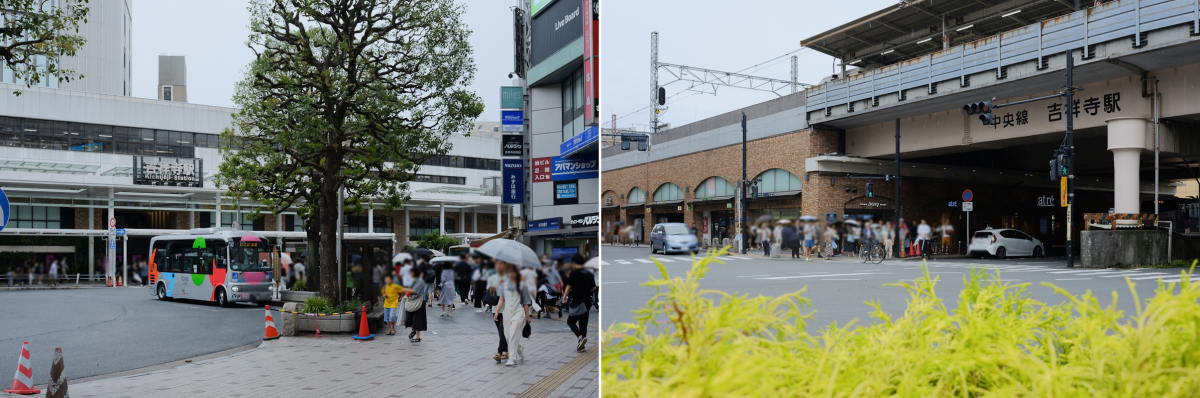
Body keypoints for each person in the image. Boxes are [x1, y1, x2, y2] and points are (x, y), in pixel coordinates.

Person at [494, 261, 532, 366]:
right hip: (506, 314)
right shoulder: (504, 285)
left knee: (513, 334)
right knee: (507, 337)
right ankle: (520, 348)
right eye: (509, 272)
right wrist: (497, 311)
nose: (510, 274)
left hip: (518, 313)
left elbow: (526, 302)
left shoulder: (522, 285)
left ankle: (512, 358)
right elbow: (501, 299)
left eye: (512, 272)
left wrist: (527, 316)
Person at [562, 254, 595, 352]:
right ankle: (582, 344)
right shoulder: (589, 273)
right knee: (583, 323)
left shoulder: (574, 273)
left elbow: (568, 287)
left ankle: (580, 337)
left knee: (570, 321)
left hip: (577, 300)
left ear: (574, 262)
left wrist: (564, 298)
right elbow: (594, 288)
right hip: (587, 301)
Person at [490, 261, 509, 362]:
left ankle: (499, 353)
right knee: (500, 332)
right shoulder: (493, 277)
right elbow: (490, 292)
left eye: (501, 264)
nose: (498, 266)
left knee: (503, 331)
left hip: (506, 308)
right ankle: (505, 351)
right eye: (497, 264)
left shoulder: (509, 277)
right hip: (495, 308)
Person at [404, 266, 429, 342]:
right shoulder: (411, 280)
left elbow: (415, 291)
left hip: (418, 302)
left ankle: (418, 337)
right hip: (410, 301)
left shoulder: (420, 281)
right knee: (408, 319)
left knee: (417, 320)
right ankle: (413, 330)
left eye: (411, 272)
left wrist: (406, 289)